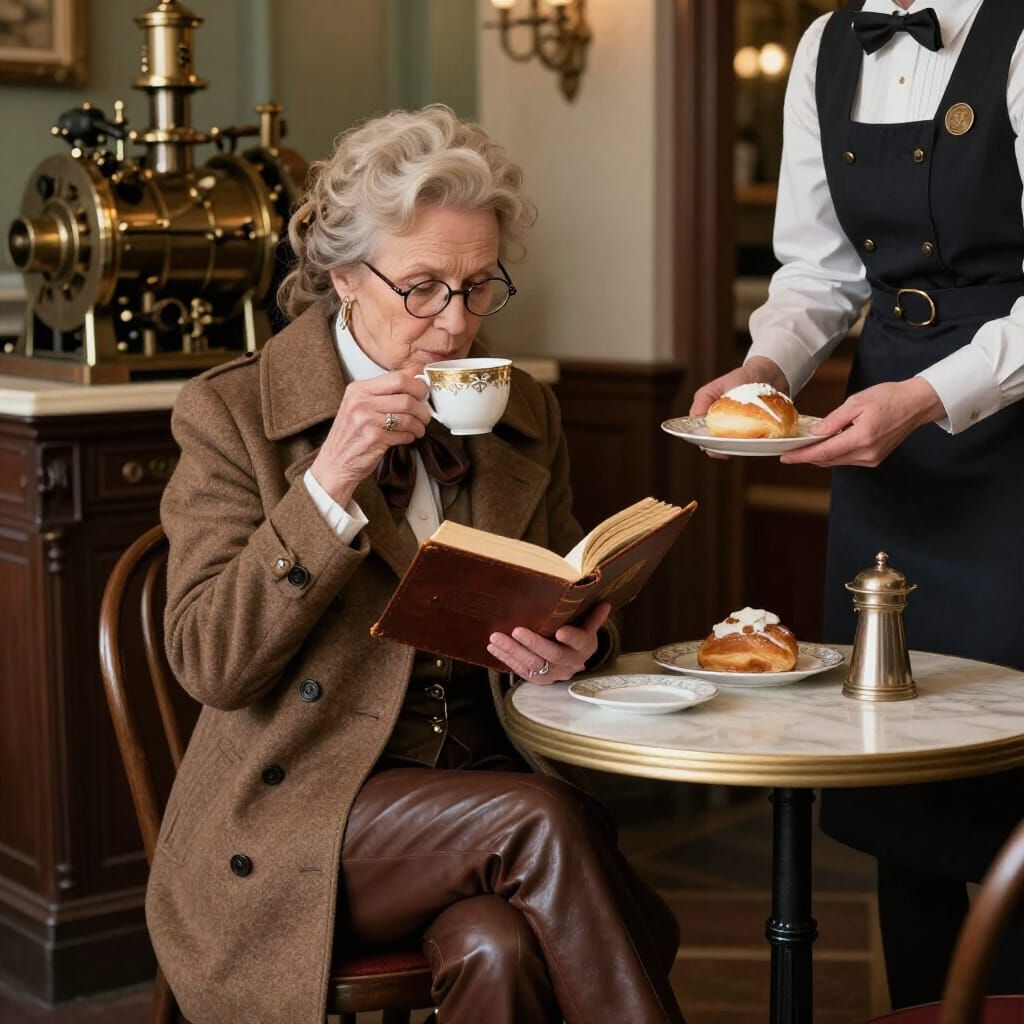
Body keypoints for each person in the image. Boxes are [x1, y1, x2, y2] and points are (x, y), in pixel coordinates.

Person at [145, 105, 686, 1024]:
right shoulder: (230, 414)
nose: (456, 321)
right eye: (425, 287)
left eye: (481, 287)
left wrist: (576, 648)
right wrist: (328, 481)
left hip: (478, 794)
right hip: (303, 809)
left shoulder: (527, 416)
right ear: (345, 277)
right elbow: (208, 661)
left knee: (498, 944)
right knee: (539, 818)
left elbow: (565, 590)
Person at [690, 0, 1024, 1010]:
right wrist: (763, 369)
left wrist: (929, 398)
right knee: (895, 755)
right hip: (889, 439)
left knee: (1011, 770)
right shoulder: (824, 45)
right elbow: (819, 272)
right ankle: (922, 1007)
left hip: (1010, 429)